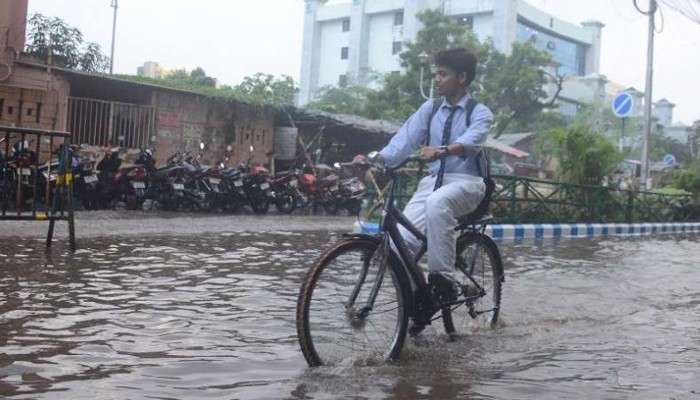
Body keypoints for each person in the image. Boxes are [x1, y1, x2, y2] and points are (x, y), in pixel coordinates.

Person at [371, 48, 493, 324]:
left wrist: (442, 151)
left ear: (461, 77)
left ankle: (443, 281)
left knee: (438, 203)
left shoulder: (480, 112)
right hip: (431, 184)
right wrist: (378, 160)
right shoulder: (431, 108)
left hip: (467, 184)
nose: (436, 79)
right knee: (397, 243)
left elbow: (473, 140)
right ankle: (420, 301)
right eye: (436, 73)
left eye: (442, 74)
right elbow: (405, 139)